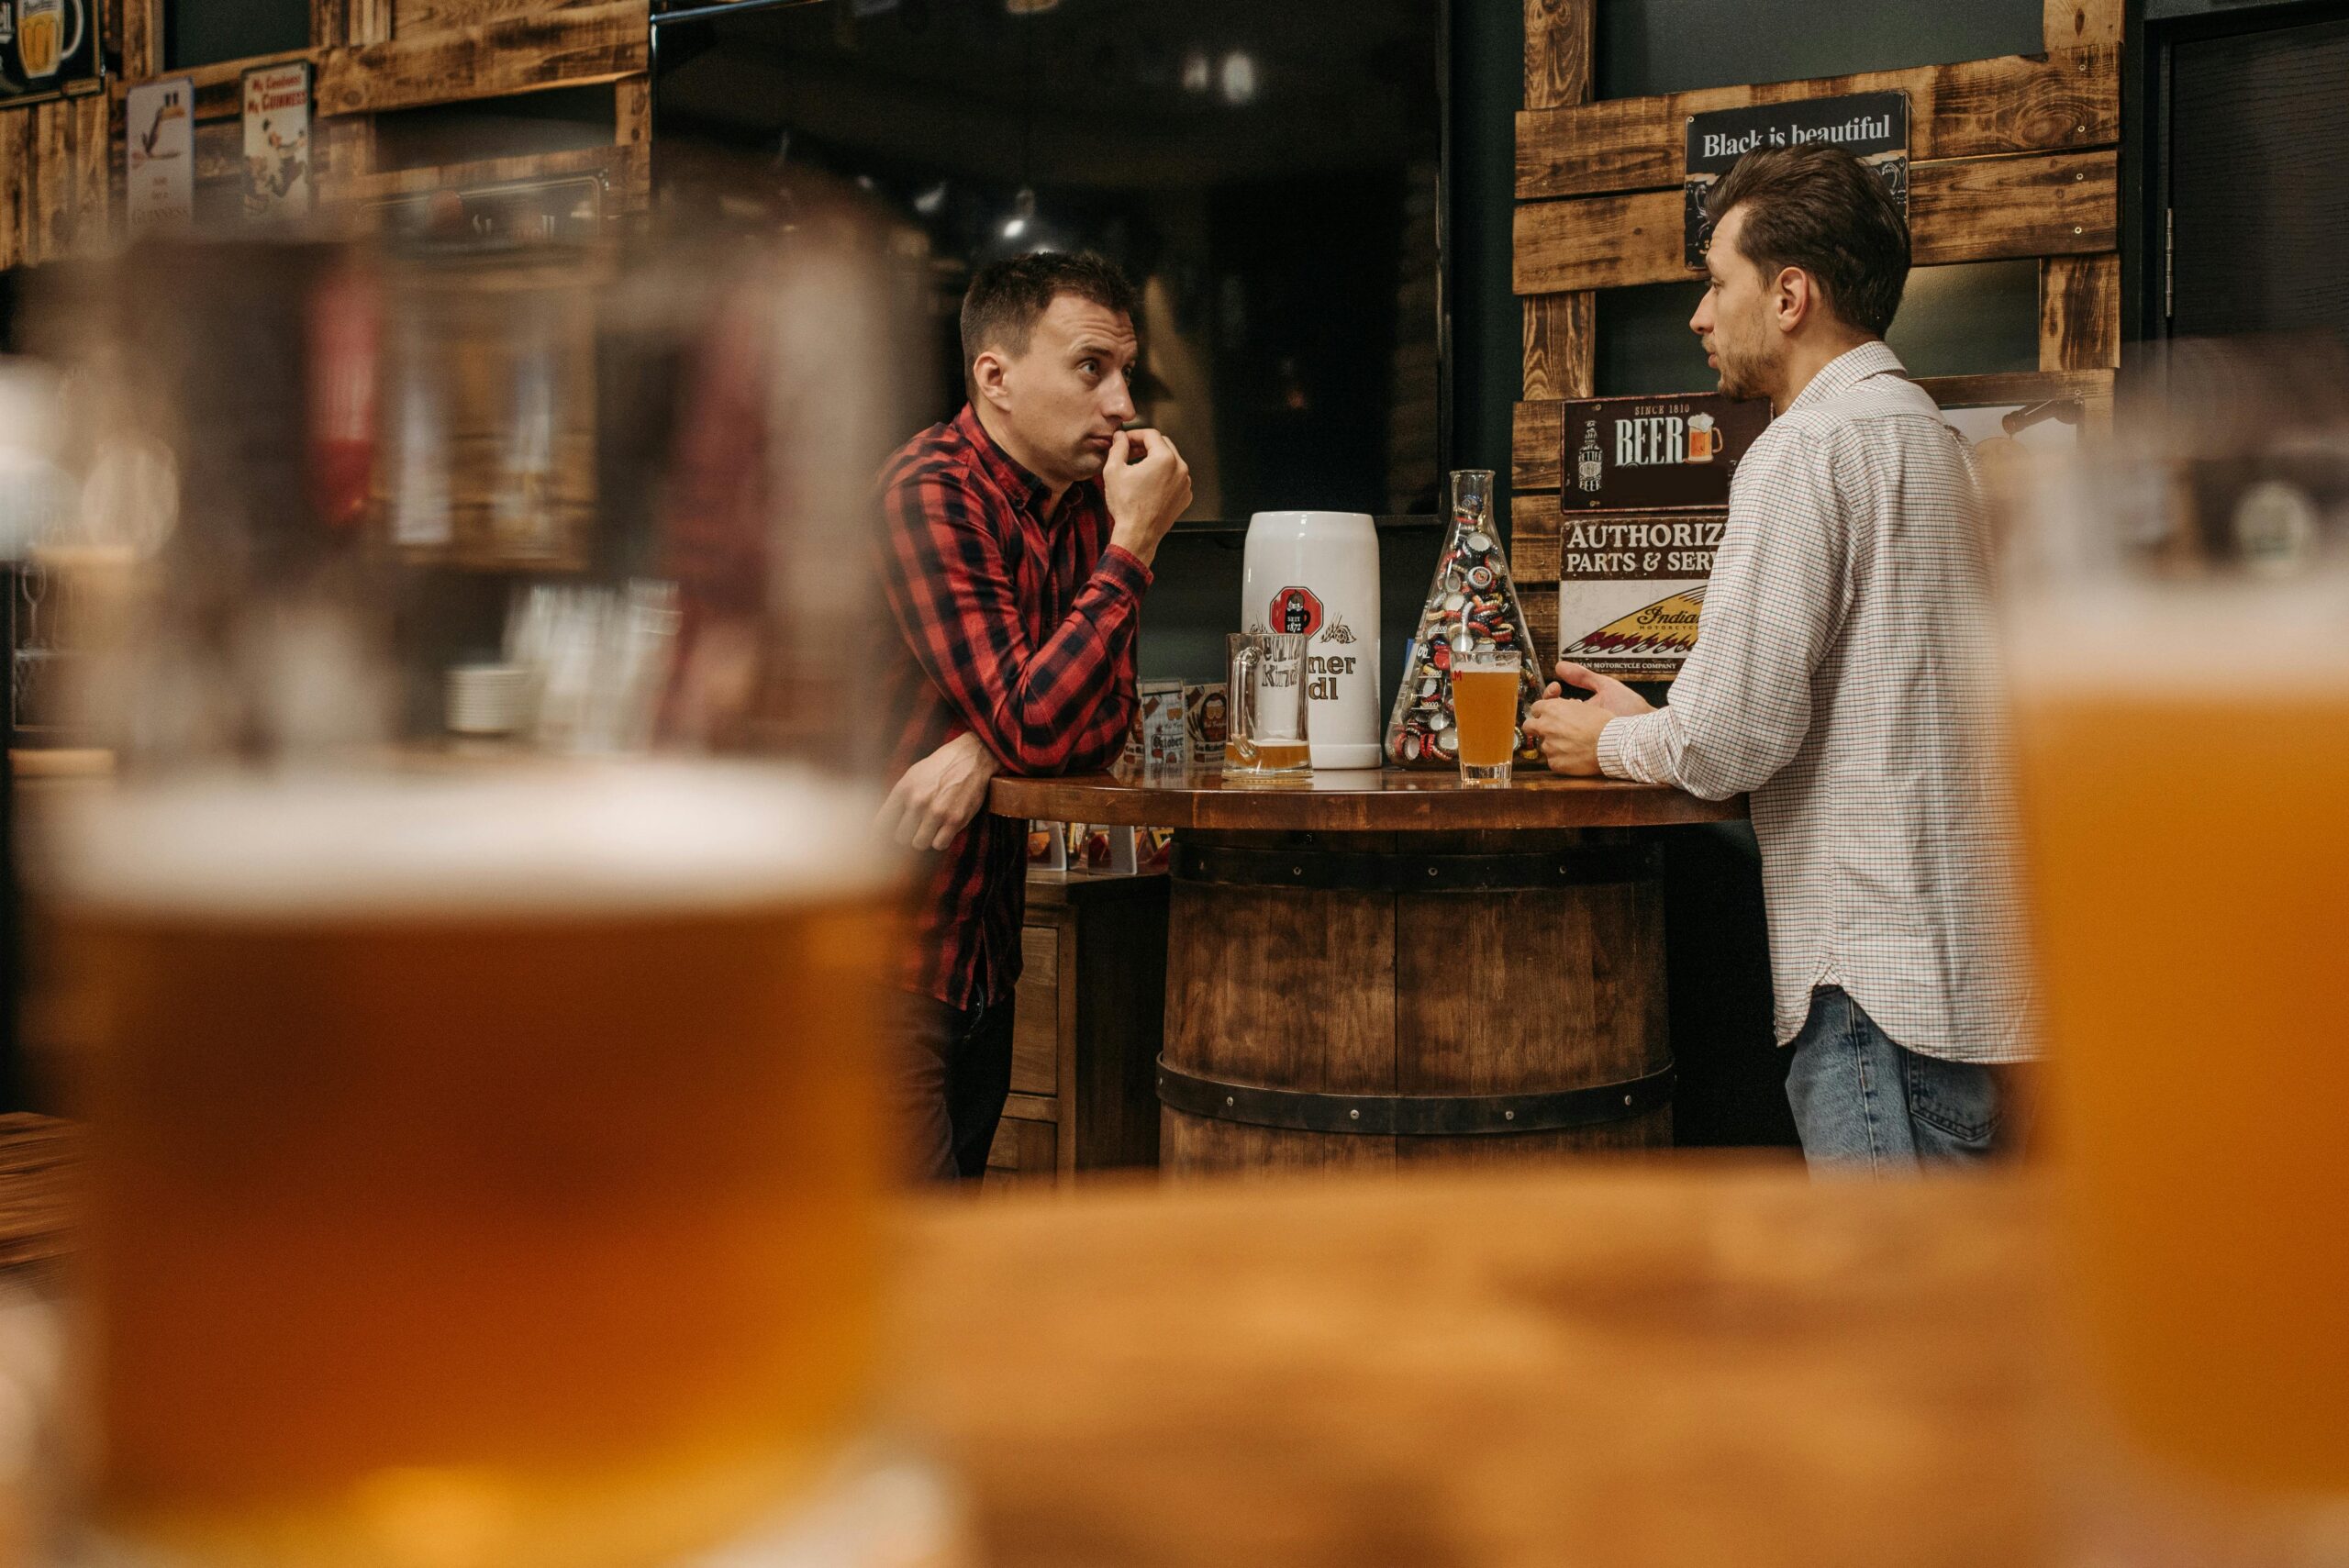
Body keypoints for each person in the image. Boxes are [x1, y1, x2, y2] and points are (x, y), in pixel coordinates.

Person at [1522, 145, 2034, 1171]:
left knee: (1882, 1321)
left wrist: (1612, 740)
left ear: (1790, 294)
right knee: (1957, 1322)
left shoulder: (1802, 450)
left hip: (1872, 996)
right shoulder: (1937, 445)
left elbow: (1729, 738)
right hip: (1975, 995)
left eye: (1716, 282)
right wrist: (1639, 717)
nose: (1699, 317)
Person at [874, 251, 1192, 1181]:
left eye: (1126, 372)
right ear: (995, 377)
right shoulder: (930, 492)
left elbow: (1104, 725)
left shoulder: (1079, 511)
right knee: (908, 1277)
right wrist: (1135, 542)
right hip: (875, 963)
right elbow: (1043, 725)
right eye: (1092, 368)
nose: (1123, 404)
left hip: (978, 961)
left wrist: (982, 747)